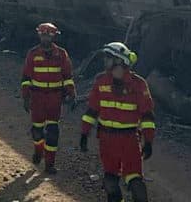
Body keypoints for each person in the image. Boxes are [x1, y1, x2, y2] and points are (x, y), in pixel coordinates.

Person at [79, 42, 156, 202]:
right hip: (106, 139)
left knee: (135, 182)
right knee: (110, 181)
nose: (105, 61)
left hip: (129, 139)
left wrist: (148, 141)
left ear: (119, 60)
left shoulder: (138, 84)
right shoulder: (101, 81)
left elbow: (147, 116)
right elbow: (92, 111)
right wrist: (84, 133)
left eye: (108, 57)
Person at [20, 22, 75, 173]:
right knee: (37, 131)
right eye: (43, 34)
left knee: (53, 132)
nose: (45, 38)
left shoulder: (61, 54)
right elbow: (26, 77)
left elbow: (67, 76)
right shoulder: (33, 54)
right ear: (39, 35)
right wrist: (26, 98)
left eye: (48, 35)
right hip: (37, 98)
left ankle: (49, 164)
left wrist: (71, 93)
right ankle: (38, 151)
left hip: (54, 99)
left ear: (53, 36)